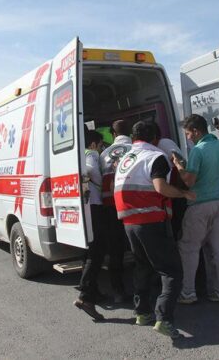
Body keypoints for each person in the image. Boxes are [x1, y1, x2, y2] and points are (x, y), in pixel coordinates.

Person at [114, 121, 196, 339]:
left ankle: (142, 313)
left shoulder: (125, 159)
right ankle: (164, 318)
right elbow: (161, 187)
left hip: (129, 223)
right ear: (154, 138)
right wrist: (183, 193)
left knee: (142, 266)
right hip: (151, 219)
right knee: (171, 271)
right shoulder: (154, 156)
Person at [172, 114, 219, 305]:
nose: (188, 137)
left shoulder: (197, 151)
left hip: (199, 205)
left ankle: (188, 292)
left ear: (197, 131)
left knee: (189, 248)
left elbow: (189, 181)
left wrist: (178, 166)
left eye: (189, 133)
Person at [74, 130, 109, 320]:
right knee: (97, 252)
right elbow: (86, 170)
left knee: (88, 252)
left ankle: (92, 292)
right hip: (95, 207)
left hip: (85, 207)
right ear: (94, 144)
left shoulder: (79, 154)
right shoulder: (92, 155)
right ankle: (85, 297)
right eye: (101, 144)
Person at [98, 119, 132, 303]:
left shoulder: (104, 153)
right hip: (133, 207)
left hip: (111, 207)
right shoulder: (135, 149)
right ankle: (145, 286)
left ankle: (118, 290)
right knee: (138, 247)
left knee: (115, 250)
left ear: (113, 134)